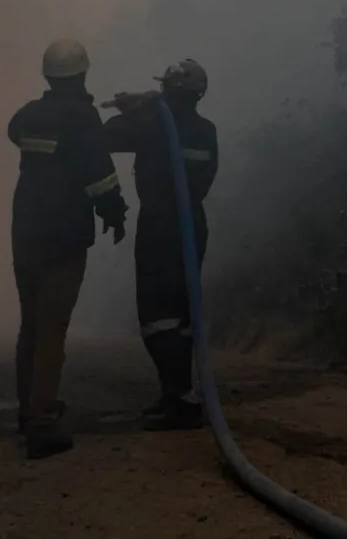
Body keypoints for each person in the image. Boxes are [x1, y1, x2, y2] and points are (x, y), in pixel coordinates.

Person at [8, 38, 128, 459]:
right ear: (81, 74)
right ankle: (42, 423)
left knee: (31, 324)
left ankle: (27, 412)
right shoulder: (82, 117)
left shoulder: (29, 115)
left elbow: (13, 131)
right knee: (52, 327)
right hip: (63, 234)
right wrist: (115, 213)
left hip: (25, 231)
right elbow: (100, 176)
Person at [102, 59, 218, 431]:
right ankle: (176, 394)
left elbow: (108, 136)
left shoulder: (152, 125)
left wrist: (138, 107)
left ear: (170, 90)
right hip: (192, 225)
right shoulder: (205, 130)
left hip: (161, 225)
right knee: (183, 315)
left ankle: (181, 398)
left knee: (157, 317)